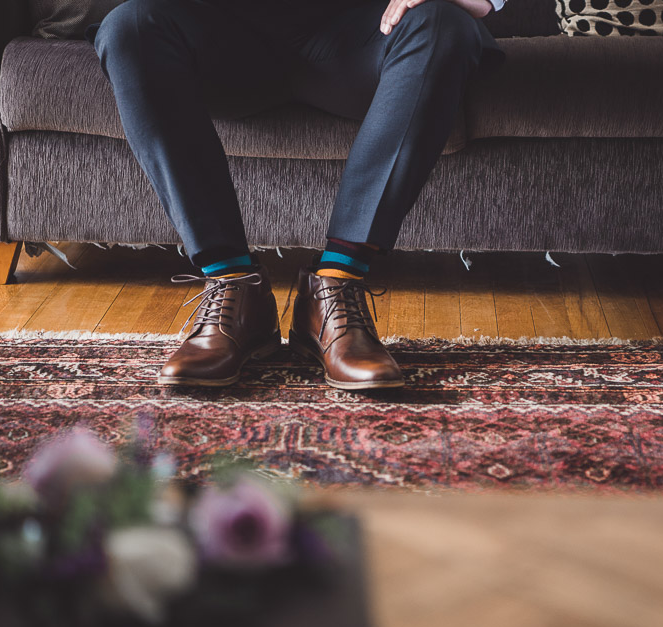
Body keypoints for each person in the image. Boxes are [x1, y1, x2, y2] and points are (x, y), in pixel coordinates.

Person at [90, 0, 507, 390]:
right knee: (129, 26)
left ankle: (335, 288)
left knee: (443, 24)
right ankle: (235, 287)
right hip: (221, 39)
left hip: (364, 34)